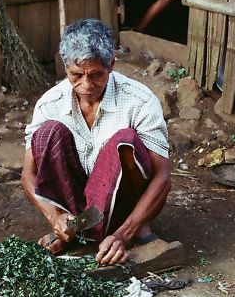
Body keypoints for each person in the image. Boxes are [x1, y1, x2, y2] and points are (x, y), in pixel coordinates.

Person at [21, 18, 171, 264]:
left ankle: (126, 226)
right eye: (76, 75)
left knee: (125, 140)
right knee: (48, 133)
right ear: (66, 68)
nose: (86, 85)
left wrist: (126, 233)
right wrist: (54, 217)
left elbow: (162, 177)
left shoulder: (140, 101)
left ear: (111, 64)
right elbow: (28, 174)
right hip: (75, 206)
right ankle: (74, 228)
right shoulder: (50, 104)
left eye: (96, 75)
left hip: (123, 203)